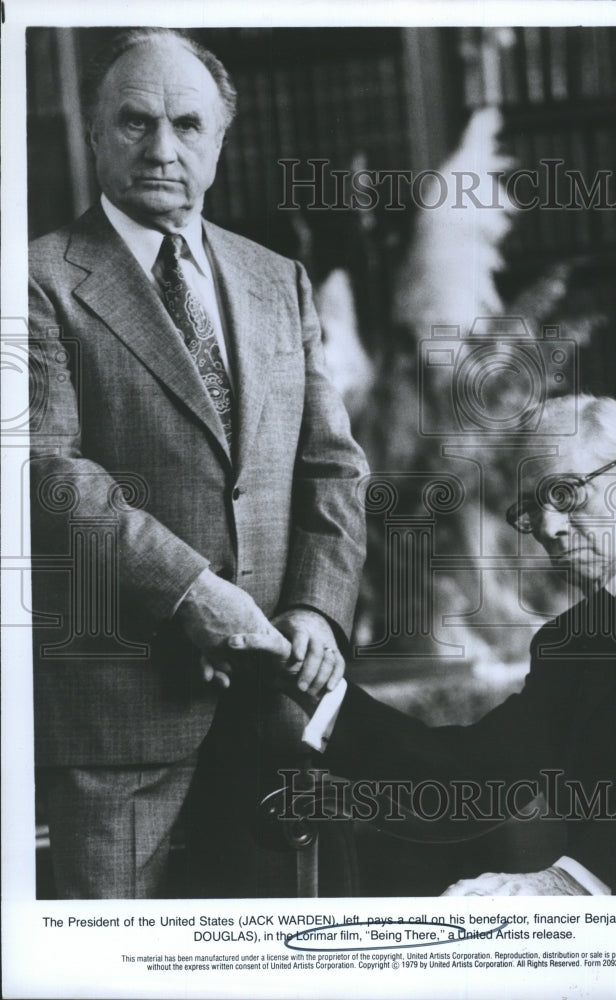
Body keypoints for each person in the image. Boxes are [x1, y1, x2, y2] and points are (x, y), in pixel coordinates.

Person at [28, 27, 368, 899]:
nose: (161, 149)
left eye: (186, 124)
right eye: (134, 122)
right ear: (95, 132)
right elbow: (45, 472)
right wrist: (192, 592)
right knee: (113, 959)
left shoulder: (277, 279)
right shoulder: (34, 282)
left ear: (220, 139)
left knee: (272, 951)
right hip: (120, 716)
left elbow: (332, 465)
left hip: (275, 701)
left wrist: (317, 608)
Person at [234, 394, 616, 895]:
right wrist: (316, 684)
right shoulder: (571, 640)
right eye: (530, 509)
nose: (547, 528)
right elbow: (475, 776)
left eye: (565, 494)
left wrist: (575, 880)